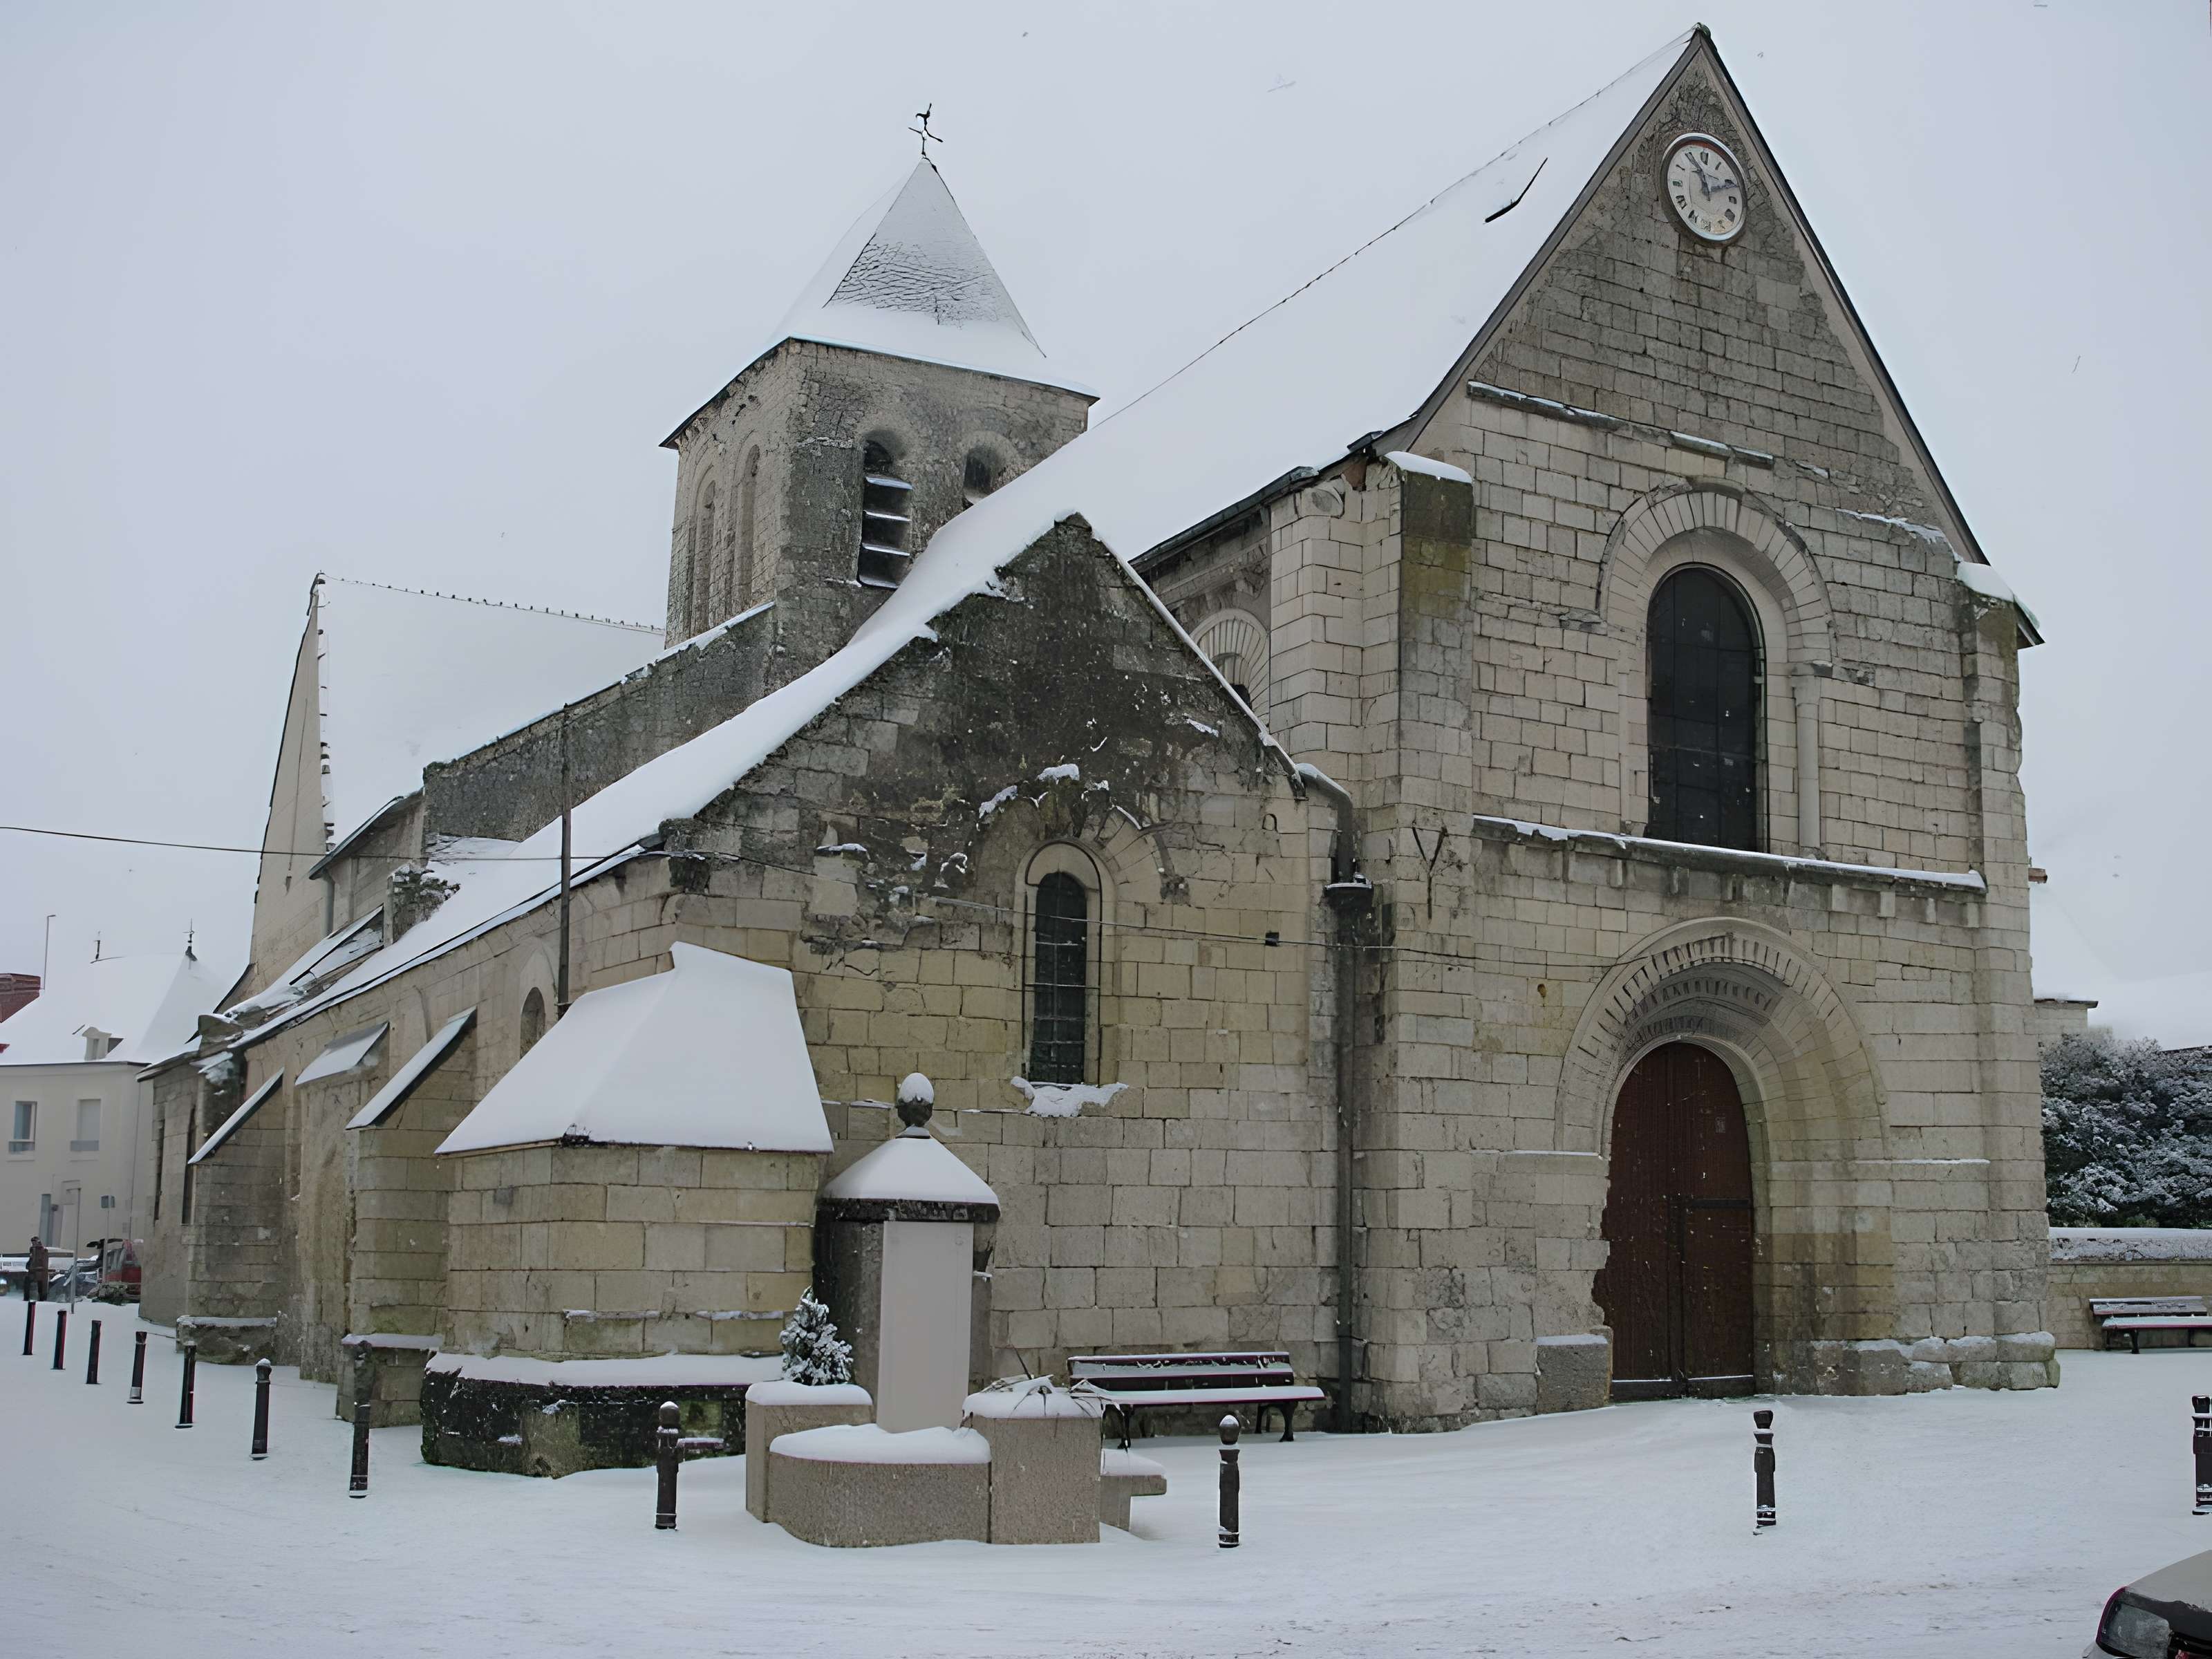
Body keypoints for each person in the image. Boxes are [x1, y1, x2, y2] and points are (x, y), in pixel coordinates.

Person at [26, 1235, 48, 1303]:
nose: (33, 1244)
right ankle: (27, 1298)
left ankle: (42, 1298)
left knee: (40, 1285)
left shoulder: (43, 1250)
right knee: (28, 1283)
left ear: (38, 1242)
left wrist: (40, 1268)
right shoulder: (32, 1250)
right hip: (33, 1270)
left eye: (34, 1242)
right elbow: (31, 1259)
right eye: (32, 1242)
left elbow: (44, 1261)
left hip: (40, 1271)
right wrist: (28, 1265)